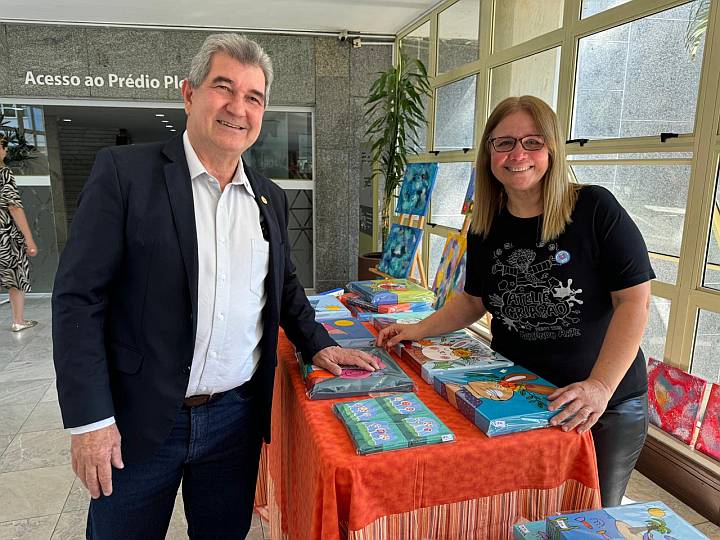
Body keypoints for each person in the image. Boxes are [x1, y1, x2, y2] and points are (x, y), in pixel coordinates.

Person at [52, 34, 379, 540]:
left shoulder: (268, 197)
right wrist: (90, 421)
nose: (238, 108)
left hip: (234, 420)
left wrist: (319, 344)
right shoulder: (125, 175)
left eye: (253, 97)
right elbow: (79, 299)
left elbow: (284, 286)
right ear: (189, 94)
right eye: (223, 87)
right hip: (139, 420)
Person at [377, 95, 654, 507]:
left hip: (602, 404)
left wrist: (599, 387)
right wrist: (417, 329)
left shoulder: (595, 208)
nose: (518, 154)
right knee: (520, 511)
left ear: (551, 149)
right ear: (489, 152)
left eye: (532, 142)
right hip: (520, 395)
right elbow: (473, 301)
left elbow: (634, 302)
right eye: (504, 143)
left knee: (590, 516)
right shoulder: (486, 224)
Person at [0, 136, 39, 332]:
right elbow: (14, 207)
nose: (6, 150)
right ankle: (18, 320)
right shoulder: (4, 173)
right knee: (15, 276)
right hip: (5, 235)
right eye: (3, 146)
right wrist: (29, 239)